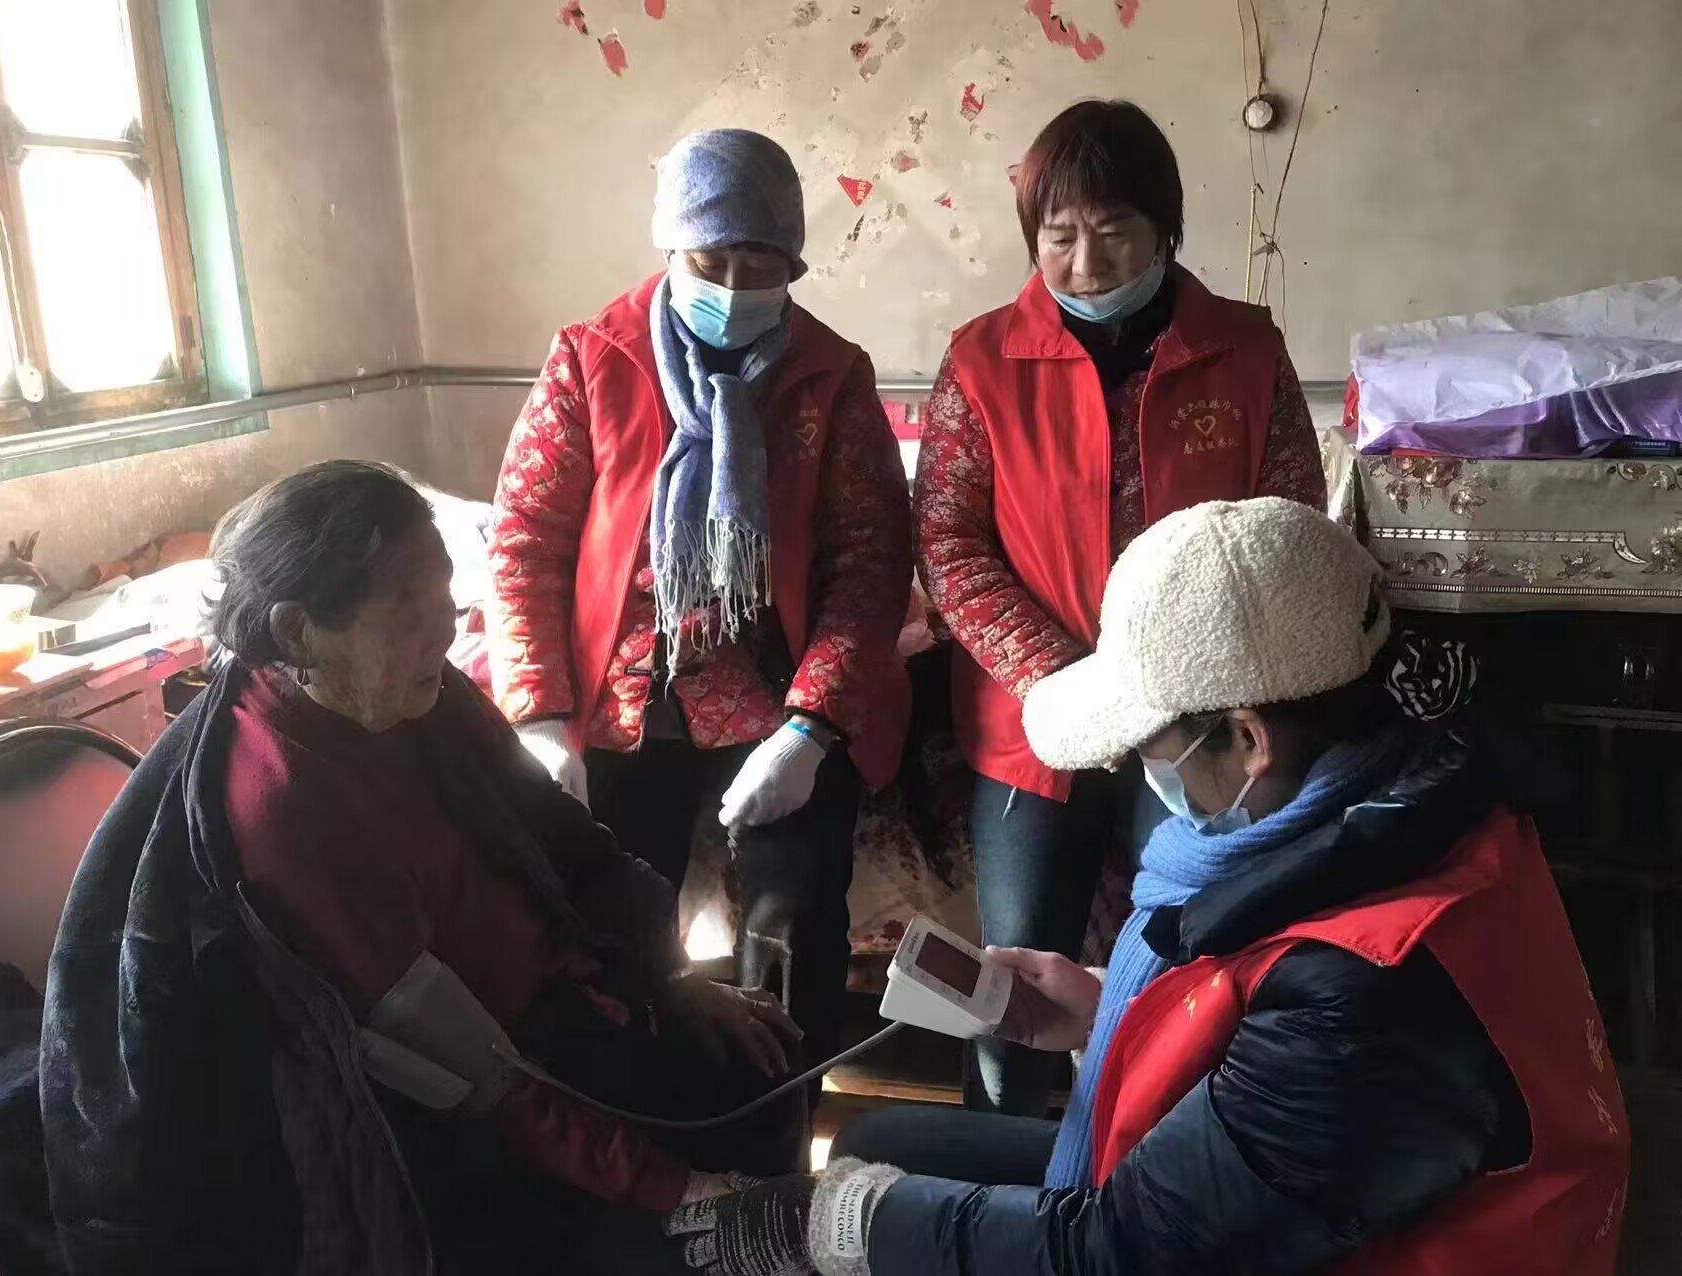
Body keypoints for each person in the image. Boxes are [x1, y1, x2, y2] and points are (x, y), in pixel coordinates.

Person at [664, 498, 1629, 1276]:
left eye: (1152, 748)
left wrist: (828, 1228)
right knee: (884, 1148)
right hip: (1326, 1207)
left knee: (859, 1211)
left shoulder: (1364, 993)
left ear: (1247, 740)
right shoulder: (1425, 805)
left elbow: (1117, 1253)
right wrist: (1109, 1014)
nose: (1138, 773)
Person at [40, 461, 807, 1275]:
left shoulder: (413, 693)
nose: (447, 623)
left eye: (443, 586)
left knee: (762, 1067)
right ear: (297, 631)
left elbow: (565, 840)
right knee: (699, 1214)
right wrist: (677, 1190)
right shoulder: (285, 804)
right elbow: (471, 1075)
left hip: (553, 1005)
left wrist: (670, 979)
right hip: (450, 1095)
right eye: (408, 599)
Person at [914, 98, 1327, 1114]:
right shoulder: (982, 361)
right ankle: (1008, 1174)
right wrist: (1067, 681)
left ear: (1165, 229)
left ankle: (1161, 1167)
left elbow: (1284, 529)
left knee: (1194, 961)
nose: (1087, 264)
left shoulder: (1243, 351)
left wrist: (1175, 685)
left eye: (1115, 232)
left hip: (1198, 724)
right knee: (1012, 983)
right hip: (1035, 725)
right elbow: (949, 543)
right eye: (1059, 237)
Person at [488, 127, 912, 1077]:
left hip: (777, 703)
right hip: (622, 703)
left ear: (793, 261)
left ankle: (775, 1122)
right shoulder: (592, 359)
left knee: (793, 927)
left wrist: (811, 732)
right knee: (607, 931)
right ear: (669, 248)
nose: (731, 284)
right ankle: (640, 1126)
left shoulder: (831, 376)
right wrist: (542, 718)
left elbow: (872, 566)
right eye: (708, 260)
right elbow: (524, 543)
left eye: (759, 263)